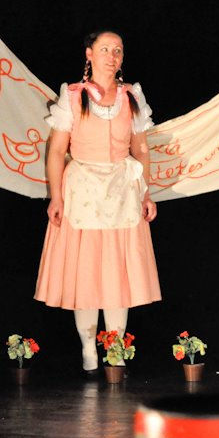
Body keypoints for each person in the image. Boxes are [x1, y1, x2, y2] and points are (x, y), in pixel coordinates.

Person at [35, 30, 161, 375]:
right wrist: (56, 196)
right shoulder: (73, 96)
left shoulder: (131, 96)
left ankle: (116, 348)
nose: (112, 56)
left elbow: (141, 149)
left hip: (122, 190)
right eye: (105, 49)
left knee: (118, 273)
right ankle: (89, 347)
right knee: (87, 273)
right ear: (89, 54)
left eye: (117, 50)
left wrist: (146, 192)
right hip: (84, 192)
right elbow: (57, 151)